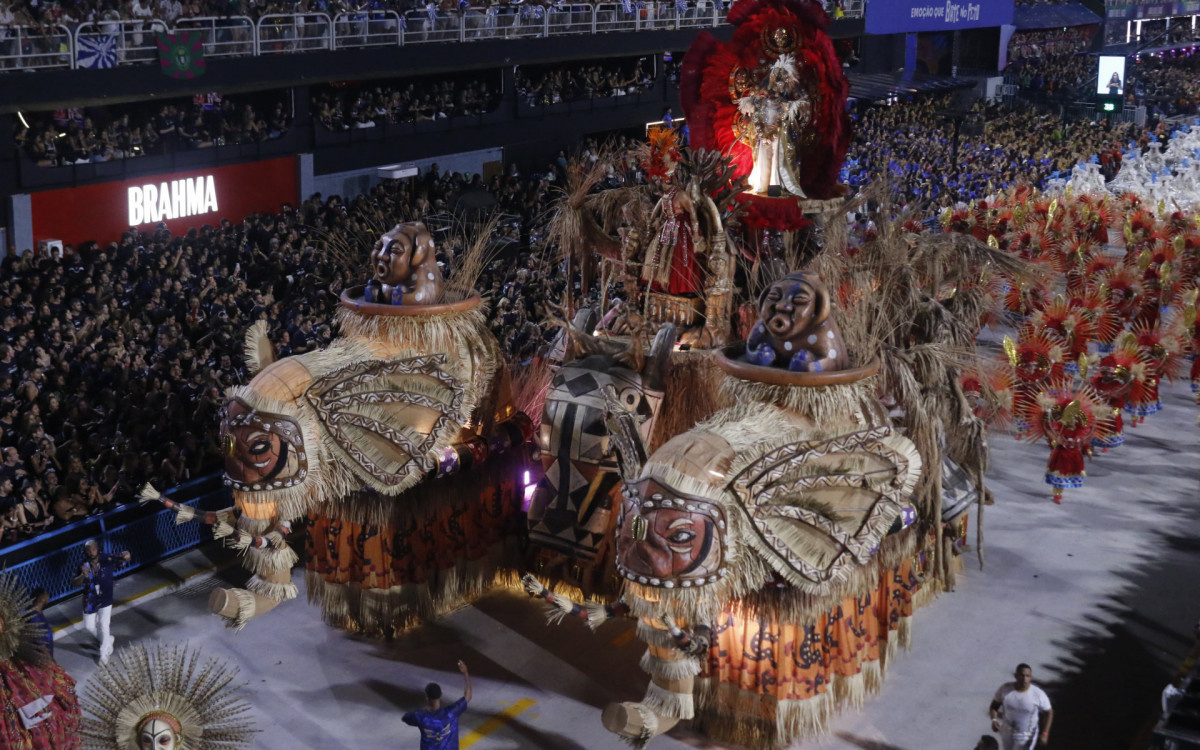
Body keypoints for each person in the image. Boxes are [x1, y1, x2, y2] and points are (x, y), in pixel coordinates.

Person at [71, 539, 131, 665]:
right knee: (88, 626)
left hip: (106, 597)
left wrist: (126, 555)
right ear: (85, 552)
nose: (92, 552)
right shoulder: (82, 564)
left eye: (94, 549)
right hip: (90, 598)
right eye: (89, 550)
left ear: (98, 549)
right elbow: (74, 583)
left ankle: (104, 653)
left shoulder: (107, 559)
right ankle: (108, 640)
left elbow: (122, 560)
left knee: (104, 625)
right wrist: (82, 576)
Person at [402, 660, 472, 750]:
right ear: (441, 694)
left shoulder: (420, 716)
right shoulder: (452, 713)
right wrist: (465, 672)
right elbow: (468, 696)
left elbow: (405, 718)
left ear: (427, 697)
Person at [989, 663, 1053, 749]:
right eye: (1022, 676)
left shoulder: (1038, 694)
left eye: (1028, 676)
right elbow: (994, 706)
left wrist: (1045, 733)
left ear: (1031, 677)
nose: (1025, 679)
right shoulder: (1005, 689)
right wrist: (994, 720)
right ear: (1016, 676)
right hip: (1007, 733)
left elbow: (1049, 712)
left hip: (1027, 735)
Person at [27, 586, 53, 659]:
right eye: (47, 595)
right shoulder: (35, 618)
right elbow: (40, 643)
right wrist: (51, 660)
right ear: (42, 598)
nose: (48, 597)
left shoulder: (35, 612)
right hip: (42, 658)